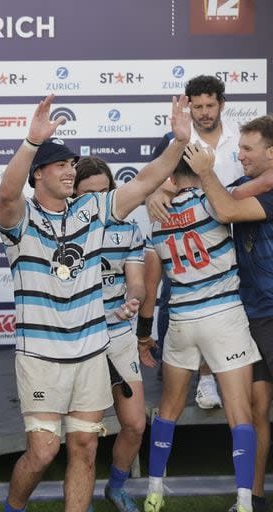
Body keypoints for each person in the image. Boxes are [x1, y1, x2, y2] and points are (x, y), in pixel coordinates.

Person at [0, 94, 191, 512]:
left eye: (71, 165)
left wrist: (177, 143)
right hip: (41, 357)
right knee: (44, 451)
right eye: (62, 165)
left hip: (89, 353)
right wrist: (30, 142)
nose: (70, 171)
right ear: (39, 174)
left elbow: (144, 181)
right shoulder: (22, 220)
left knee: (84, 445)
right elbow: (7, 193)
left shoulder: (93, 209)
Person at [138, 144, 261, 512]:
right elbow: (234, 198)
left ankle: (154, 492)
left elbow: (150, 286)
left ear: (169, 177)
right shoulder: (215, 202)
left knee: (168, 409)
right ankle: (243, 502)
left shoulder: (156, 215)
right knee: (240, 413)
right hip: (224, 316)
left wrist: (144, 333)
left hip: (181, 319)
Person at [175, 116, 273, 512]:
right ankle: (254, 499)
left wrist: (206, 172)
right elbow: (211, 198)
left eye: (248, 149)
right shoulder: (249, 185)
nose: (240, 154)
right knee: (256, 409)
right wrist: (157, 195)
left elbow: (227, 211)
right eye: (240, 147)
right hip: (247, 312)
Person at [147, 75, 244, 409]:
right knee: (184, 305)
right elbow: (156, 182)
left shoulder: (241, 139)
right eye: (198, 106)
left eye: (210, 105)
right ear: (188, 106)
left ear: (222, 104)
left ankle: (227, 376)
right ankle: (202, 380)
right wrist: (159, 192)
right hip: (190, 245)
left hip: (239, 239)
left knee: (230, 313)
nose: (204, 112)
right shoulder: (174, 140)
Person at [73, 157, 149, 512]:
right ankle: (81, 496)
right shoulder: (60, 230)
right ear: (72, 195)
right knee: (83, 434)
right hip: (77, 339)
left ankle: (115, 488)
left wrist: (134, 299)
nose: (99, 201)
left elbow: (136, 281)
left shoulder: (130, 230)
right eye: (89, 195)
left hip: (118, 334)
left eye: (105, 192)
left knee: (134, 424)